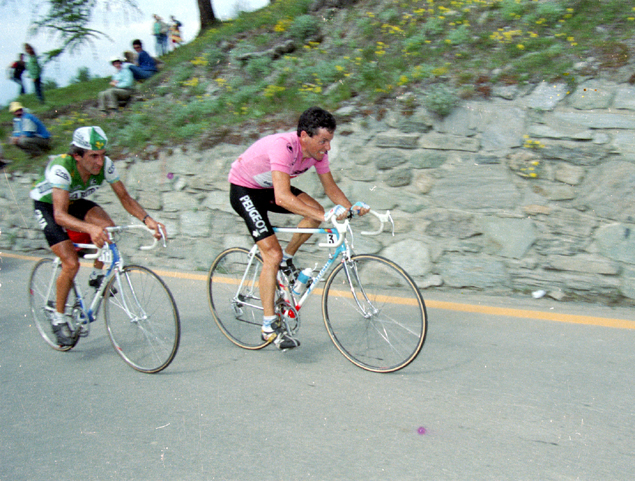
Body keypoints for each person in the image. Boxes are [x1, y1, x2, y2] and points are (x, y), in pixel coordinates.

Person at [228, 106, 370, 349]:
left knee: (313, 215)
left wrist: (350, 209)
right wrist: (327, 215)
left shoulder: (318, 153)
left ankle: (288, 257)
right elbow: (283, 197)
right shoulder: (282, 147)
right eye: (323, 141)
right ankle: (268, 324)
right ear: (304, 136)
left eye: (330, 141)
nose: (328, 147)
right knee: (271, 252)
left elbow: (331, 188)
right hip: (245, 190)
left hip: (269, 189)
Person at [30, 126, 166, 347]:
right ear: (77, 155)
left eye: (103, 155)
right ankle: (58, 317)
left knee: (108, 228)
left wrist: (148, 220)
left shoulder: (105, 166)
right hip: (50, 206)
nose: (100, 162)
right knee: (71, 263)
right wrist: (89, 229)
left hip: (74, 200)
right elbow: (60, 215)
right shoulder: (61, 167)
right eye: (93, 156)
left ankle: (97, 275)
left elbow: (125, 197)